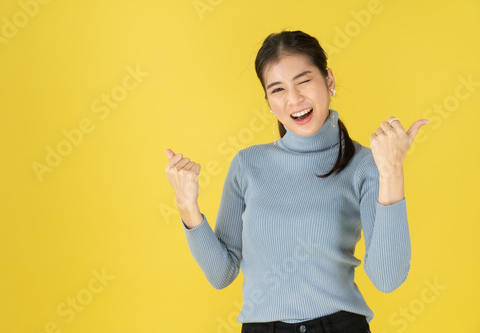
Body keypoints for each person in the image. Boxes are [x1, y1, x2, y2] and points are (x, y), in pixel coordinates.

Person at [164, 30, 428, 333]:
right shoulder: (247, 164)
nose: (294, 99)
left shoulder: (365, 163)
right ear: (268, 101)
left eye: (304, 81)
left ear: (328, 81)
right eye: (277, 89)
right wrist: (187, 206)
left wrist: (392, 170)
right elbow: (221, 274)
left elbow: (388, 278)